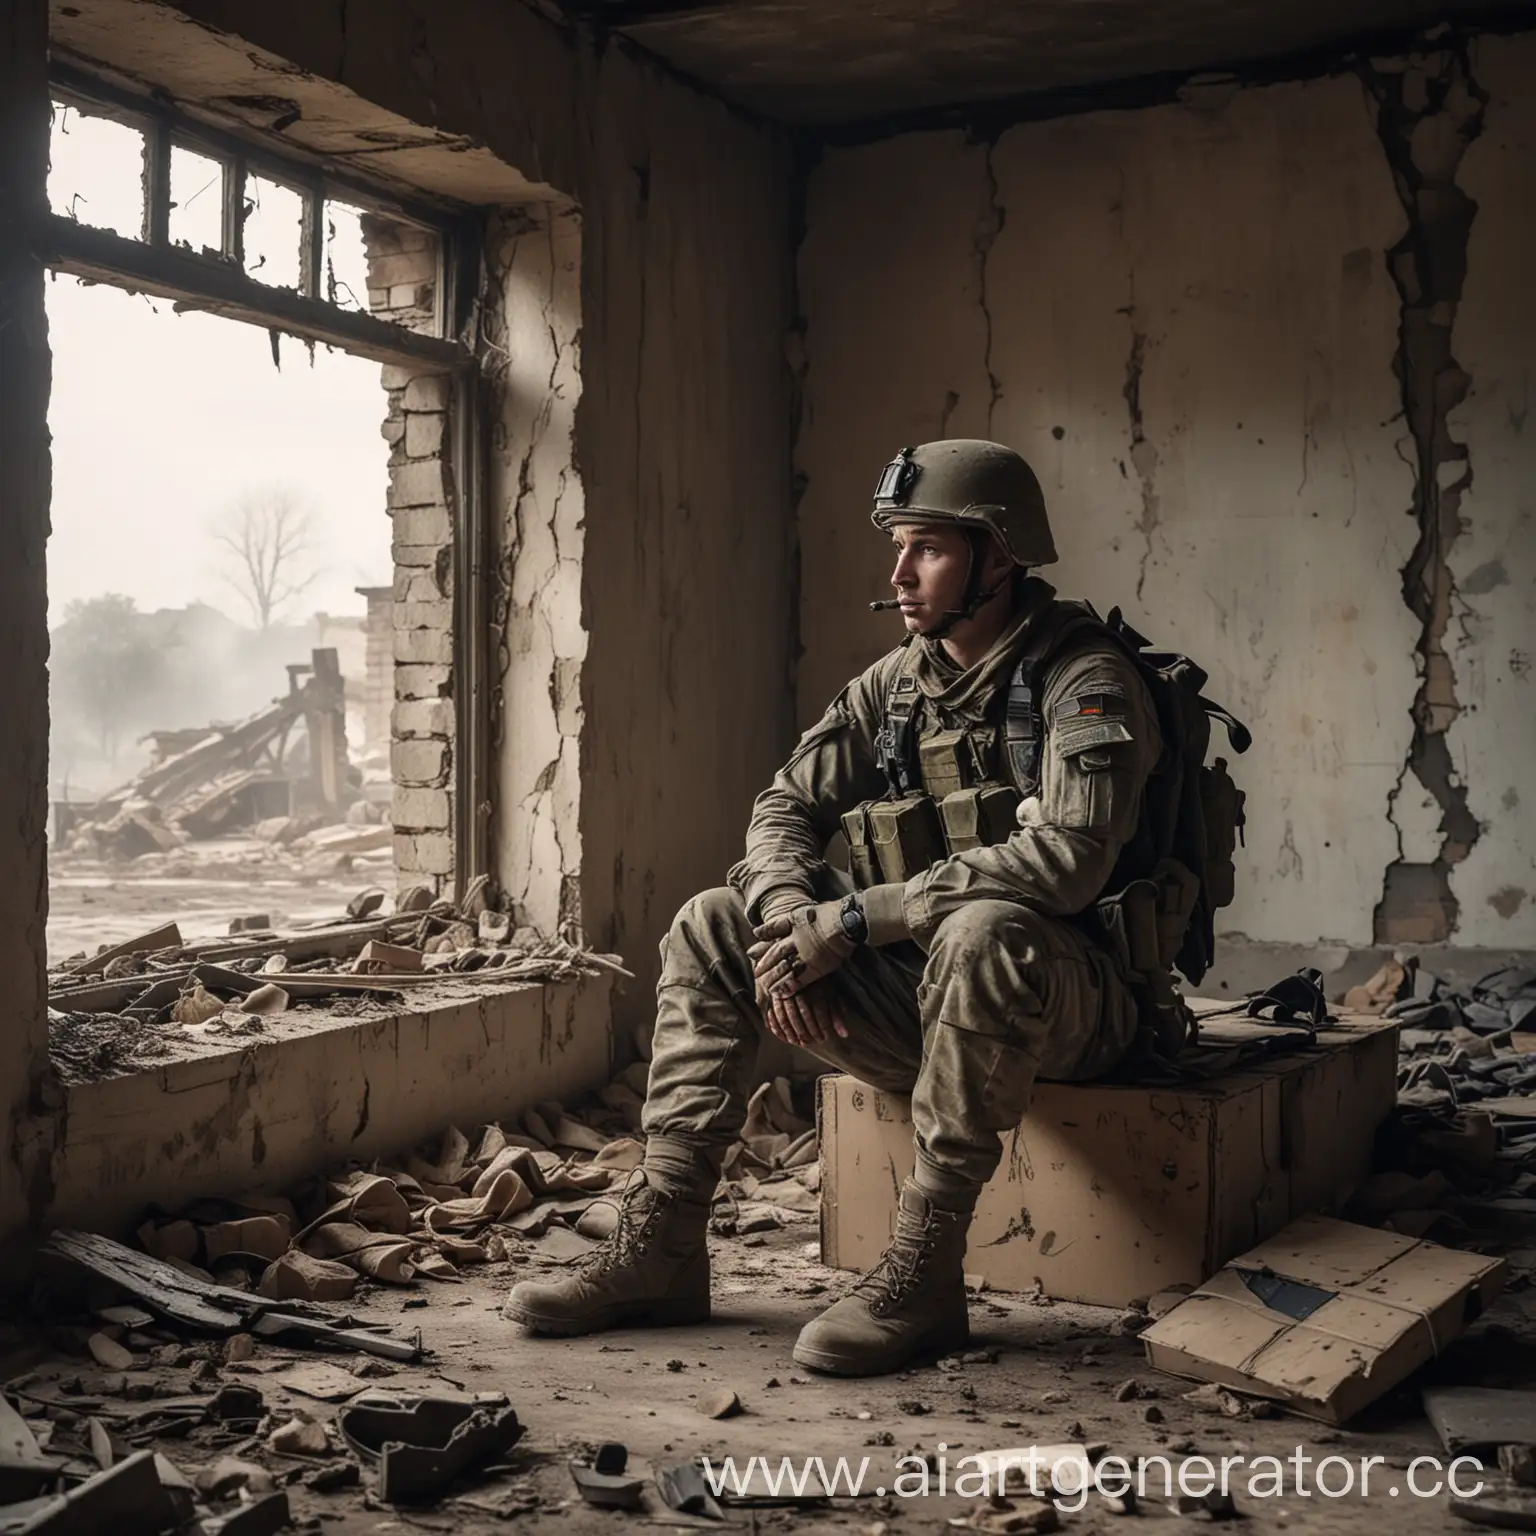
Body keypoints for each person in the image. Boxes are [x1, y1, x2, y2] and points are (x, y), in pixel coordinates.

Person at [505, 439, 1164, 1376]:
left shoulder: (1084, 681)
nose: (899, 571)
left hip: (1076, 1005)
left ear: (1001, 556)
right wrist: (784, 926)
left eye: (928, 547)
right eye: (897, 544)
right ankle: (663, 1244)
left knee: (984, 930)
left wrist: (852, 923)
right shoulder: (900, 681)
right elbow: (785, 806)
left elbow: (1066, 862)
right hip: (932, 1000)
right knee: (710, 922)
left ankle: (923, 1275)